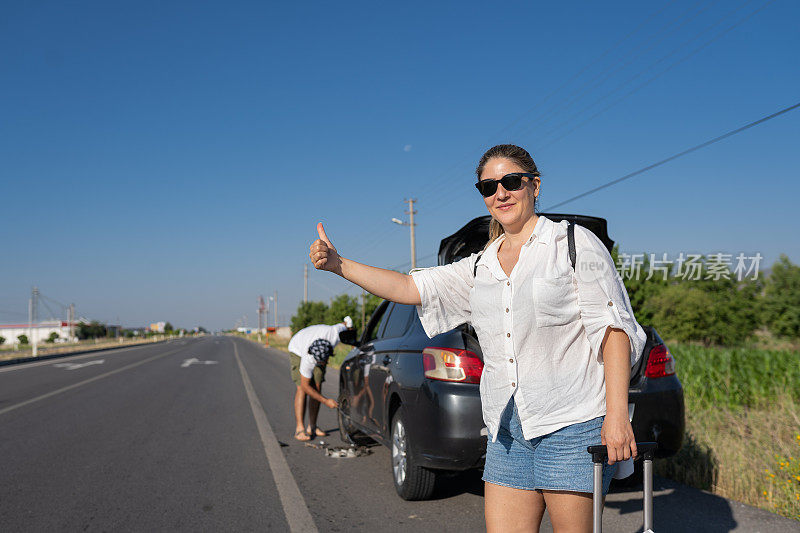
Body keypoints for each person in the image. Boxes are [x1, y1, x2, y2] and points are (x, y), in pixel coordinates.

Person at [308, 144, 646, 532]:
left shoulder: (573, 244)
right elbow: (407, 286)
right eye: (488, 187)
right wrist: (339, 265)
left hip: (570, 422)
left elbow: (614, 330)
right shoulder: (480, 266)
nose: (500, 193)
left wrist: (617, 416)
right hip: (506, 430)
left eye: (511, 181)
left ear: (534, 185)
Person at [288, 317, 353, 441]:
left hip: (314, 342)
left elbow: (345, 323)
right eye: (322, 362)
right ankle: (299, 429)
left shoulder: (335, 334)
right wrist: (325, 401)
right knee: (302, 388)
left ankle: (312, 427)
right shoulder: (308, 358)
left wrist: (349, 326)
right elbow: (306, 386)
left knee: (317, 387)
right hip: (297, 348)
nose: (324, 364)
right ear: (315, 359)